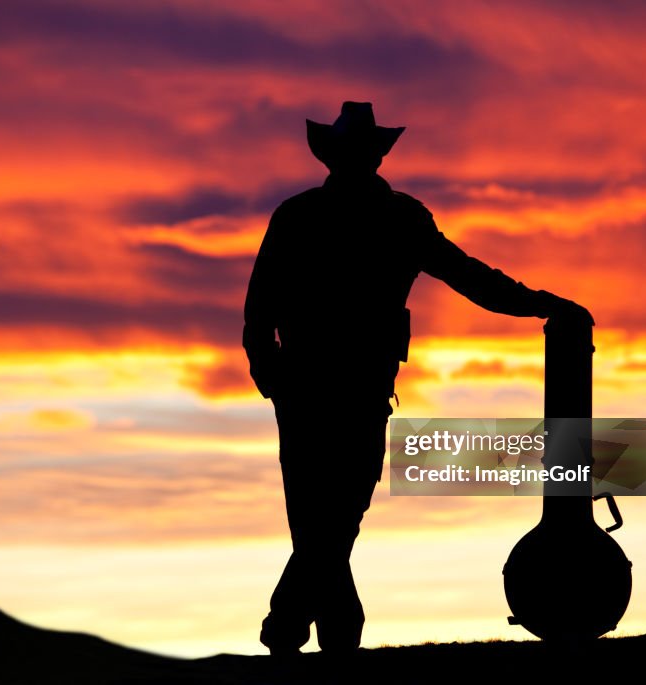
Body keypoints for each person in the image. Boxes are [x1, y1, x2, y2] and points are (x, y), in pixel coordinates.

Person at [242, 101, 590, 655]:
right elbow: (260, 307)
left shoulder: (377, 218)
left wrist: (542, 303)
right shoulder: (342, 216)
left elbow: (472, 278)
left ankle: (301, 626)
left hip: (337, 390)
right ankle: (311, 630)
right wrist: (271, 374)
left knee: (328, 518)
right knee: (327, 519)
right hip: (319, 389)